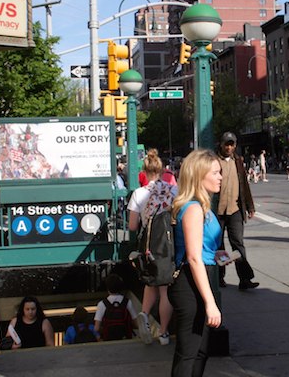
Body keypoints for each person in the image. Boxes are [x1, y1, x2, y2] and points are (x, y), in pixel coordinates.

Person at [168, 149, 233, 376]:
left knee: (200, 351)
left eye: (220, 172)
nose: (220, 177)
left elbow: (198, 250)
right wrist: (211, 302)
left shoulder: (202, 207)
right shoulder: (194, 208)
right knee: (188, 354)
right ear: (199, 175)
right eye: (215, 172)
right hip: (189, 286)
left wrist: (214, 254)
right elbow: (193, 258)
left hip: (196, 280)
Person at [128, 148, 176, 345]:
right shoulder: (173, 190)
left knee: (150, 282)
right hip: (168, 243)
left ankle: (144, 314)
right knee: (164, 289)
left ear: (145, 172)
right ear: (162, 170)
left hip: (148, 245)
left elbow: (132, 226)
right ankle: (164, 332)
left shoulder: (139, 193)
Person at [214, 132, 259, 290]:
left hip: (235, 209)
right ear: (221, 144)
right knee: (218, 245)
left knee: (238, 244)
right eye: (227, 144)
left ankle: (245, 279)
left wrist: (250, 206)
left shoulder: (238, 161)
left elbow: (244, 186)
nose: (229, 147)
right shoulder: (214, 161)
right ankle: (219, 277)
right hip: (217, 211)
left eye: (232, 144)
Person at [94, 274, 139, 341]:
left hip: (109, 340)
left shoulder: (102, 304)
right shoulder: (127, 302)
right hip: (126, 339)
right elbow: (137, 324)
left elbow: (96, 329)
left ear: (107, 288)